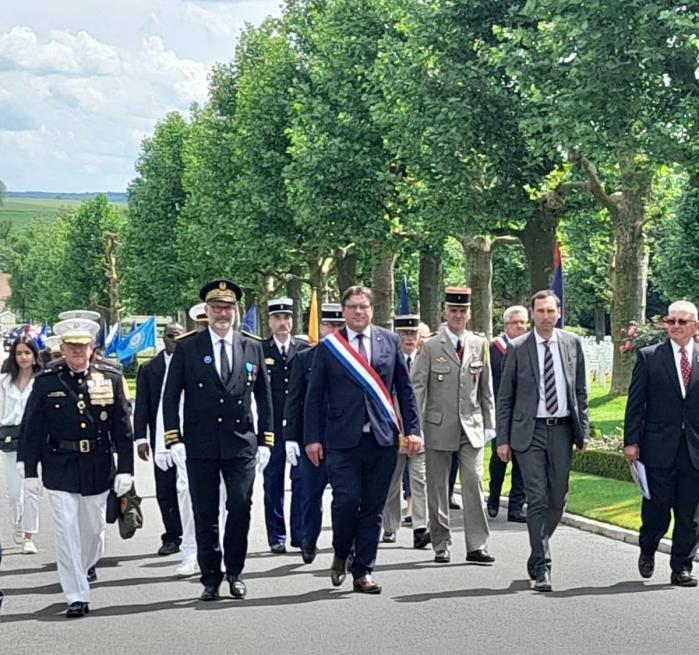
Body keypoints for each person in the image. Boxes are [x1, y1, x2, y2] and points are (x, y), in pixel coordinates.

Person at [304, 285, 422, 594]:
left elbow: (404, 390)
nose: (359, 311)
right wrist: (312, 438)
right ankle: (342, 551)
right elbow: (314, 396)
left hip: (382, 439)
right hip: (342, 439)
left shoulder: (389, 340)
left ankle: (363, 571)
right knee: (346, 502)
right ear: (344, 311)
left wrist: (413, 429)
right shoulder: (330, 347)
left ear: (372, 310)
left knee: (373, 507)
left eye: (364, 306)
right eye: (353, 306)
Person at [162, 279, 273, 601]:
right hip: (201, 443)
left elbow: (265, 398)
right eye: (216, 307)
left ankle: (235, 572)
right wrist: (174, 438)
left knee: (240, 508)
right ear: (206, 311)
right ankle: (210, 577)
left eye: (228, 307)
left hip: (241, 443)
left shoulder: (251, 345)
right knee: (205, 513)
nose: (222, 313)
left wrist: (266, 440)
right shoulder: (187, 346)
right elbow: (170, 397)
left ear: (235, 311)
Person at [21, 315, 134, 617]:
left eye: (82, 346)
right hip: (59, 465)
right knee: (66, 531)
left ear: (92, 346)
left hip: (97, 465)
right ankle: (76, 594)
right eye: (71, 346)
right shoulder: (46, 382)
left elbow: (122, 429)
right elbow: (32, 429)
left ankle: (83, 568)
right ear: (62, 348)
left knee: (93, 532)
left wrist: (126, 469)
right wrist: (29, 470)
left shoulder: (109, 378)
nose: (77, 352)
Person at [496, 289, 589, 592]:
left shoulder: (572, 343)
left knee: (558, 497)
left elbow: (580, 393)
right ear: (532, 314)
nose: (546, 317)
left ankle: (537, 550)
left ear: (558, 313)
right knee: (536, 497)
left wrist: (583, 429)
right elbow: (505, 398)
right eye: (540, 311)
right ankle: (543, 567)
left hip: (562, 429)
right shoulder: (519, 347)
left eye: (551, 311)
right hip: (529, 431)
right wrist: (503, 439)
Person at [413, 287, 495, 566]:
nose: (458, 315)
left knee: (473, 483)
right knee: (437, 489)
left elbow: (486, 389)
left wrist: (490, 424)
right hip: (437, 426)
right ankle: (441, 543)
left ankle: (477, 545)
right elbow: (418, 388)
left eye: (463, 311)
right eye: (453, 311)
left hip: (470, 425)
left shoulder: (479, 344)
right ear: (445, 312)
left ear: (469, 314)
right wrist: (415, 427)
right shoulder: (431, 346)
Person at [624, 300, 699, 587]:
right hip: (658, 446)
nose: (676, 326)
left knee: (690, 513)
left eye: (682, 322)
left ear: (695, 326)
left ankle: (681, 566)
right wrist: (631, 441)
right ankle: (648, 546)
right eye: (671, 321)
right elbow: (636, 403)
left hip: (693, 448)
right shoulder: (649, 356)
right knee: (657, 508)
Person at [283, 302, 344, 564]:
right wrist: (291, 439)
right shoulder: (305, 357)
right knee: (310, 494)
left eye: (338, 325)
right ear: (321, 327)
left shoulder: (355, 358)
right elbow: (295, 401)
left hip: (344, 438)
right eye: (329, 325)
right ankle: (308, 539)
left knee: (345, 497)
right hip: (312, 438)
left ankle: (344, 545)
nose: (334, 330)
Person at [261, 297, 310, 553]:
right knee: (272, 483)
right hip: (271, 429)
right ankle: (276, 535)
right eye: (278, 318)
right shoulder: (260, 349)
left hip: (297, 428)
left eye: (287, 318)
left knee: (301, 480)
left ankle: (299, 534)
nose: (283, 323)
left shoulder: (303, 348)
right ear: (269, 321)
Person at [133, 323, 184, 557]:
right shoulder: (149, 368)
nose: (174, 339)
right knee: (165, 489)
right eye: (170, 336)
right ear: (163, 339)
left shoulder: (193, 362)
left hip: (190, 436)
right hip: (160, 437)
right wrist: (140, 438)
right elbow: (142, 405)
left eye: (178, 336)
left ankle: (194, 532)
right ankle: (172, 535)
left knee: (191, 488)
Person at [381, 314, 430, 549]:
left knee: (420, 479)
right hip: (394, 429)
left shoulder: (426, 358)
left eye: (413, 333)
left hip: (420, 430)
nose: (409, 338)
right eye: (404, 333)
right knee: (392, 480)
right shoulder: (386, 359)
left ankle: (421, 527)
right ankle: (390, 526)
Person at [1, 336, 43, 554]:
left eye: (27, 353)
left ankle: (29, 535)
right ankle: (17, 520)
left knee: (32, 488)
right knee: (13, 491)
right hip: (9, 440)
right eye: (19, 353)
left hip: (36, 441)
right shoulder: (4, 382)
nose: (23, 357)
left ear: (35, 356)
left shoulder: (42, 381)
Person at [487, 305, 528, 522]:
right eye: (515, 323)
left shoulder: (529, 347)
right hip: (500, 413)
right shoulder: (495, 349)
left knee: (521, 461)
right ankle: (493, 497)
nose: (519, 327)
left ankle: (515, 507)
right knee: (499, 458)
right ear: (506, 326)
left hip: (523, 414)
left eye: (523, 322)